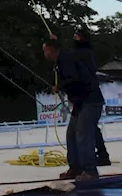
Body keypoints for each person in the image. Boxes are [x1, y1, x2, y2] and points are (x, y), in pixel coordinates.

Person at [43, 37, 103, 181]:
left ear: (50, 51)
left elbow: (74, 79)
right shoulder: (63, 59)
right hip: (81, 103)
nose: (44, 54)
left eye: (45, 51)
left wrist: (59, 87)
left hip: (90, 101)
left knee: (83, 135)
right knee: (71, 135)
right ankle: (75, 168)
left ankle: (90, 171)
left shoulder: (66, 59)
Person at [71, 30, 112, 167]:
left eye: (76, 36)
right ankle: (101, 154)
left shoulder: (82, 53)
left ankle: (92, 160)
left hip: (86, 96)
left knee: (85, 129)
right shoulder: (87, 53)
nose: (74, 38)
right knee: (91, 128)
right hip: (87, 95)